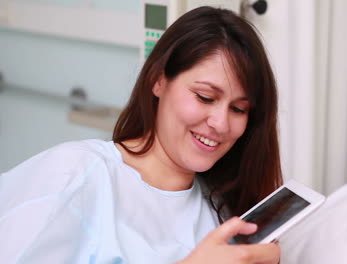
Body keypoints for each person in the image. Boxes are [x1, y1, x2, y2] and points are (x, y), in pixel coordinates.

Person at [0, 6, 283, 263]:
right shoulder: (77, 174)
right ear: (158, 81)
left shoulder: (221, 219)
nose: (220, 123)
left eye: (238, 109)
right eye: (205, 97)